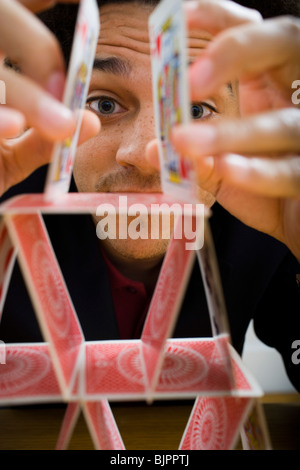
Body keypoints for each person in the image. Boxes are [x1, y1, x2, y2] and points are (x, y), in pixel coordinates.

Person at [0, 0, 299, 394]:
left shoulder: (272, 210)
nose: (144, 155)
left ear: (246, 121)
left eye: (194, 109)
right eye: (104, 104)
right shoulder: (10, 190)